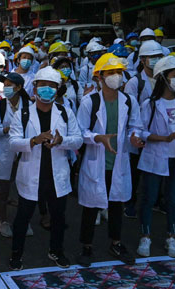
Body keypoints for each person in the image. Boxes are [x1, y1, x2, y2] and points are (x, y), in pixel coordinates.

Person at [8, 67, 83, 270]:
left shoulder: (65, 112)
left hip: (56, 174)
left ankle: (56, 251)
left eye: (52, 86)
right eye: (43, 86)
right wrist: (33, 140)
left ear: (58, 90)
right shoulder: (23, 113)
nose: (47, 90)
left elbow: (78, 140)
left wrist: (61, 140)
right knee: (23, 217)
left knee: (58, 217)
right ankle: (16, 253)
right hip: (31, 174)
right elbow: (13, 142)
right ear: (35, 88)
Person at [76, 54, 144, 267]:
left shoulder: (129, 101)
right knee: (91, 206)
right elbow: (80, 131)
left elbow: (136, 125)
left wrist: (135, 136)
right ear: (99, 76)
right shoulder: (90, 102)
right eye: (111, 72)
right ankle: (86, 246)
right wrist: (97, 137)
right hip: (97, 162)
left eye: (119, 72)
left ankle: (116, 242)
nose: (116, 76)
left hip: (118, 162)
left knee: (116, 204)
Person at [136, 55, 175, 258]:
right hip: (156, 157)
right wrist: (163, 138)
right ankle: (145, 236)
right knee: (149, 198)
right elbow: (140, 131)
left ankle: (171, 237)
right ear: (163, 78)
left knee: (173, 200)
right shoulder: (150, 104)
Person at [123, 40, 164, 217]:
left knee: (153, 171)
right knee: (134, 172)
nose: (155, 60)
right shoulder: (135, 82)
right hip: (138, 133)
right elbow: (129, 110)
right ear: (142, 60)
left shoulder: (164, 80)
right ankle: (129, 203)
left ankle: (152, 201)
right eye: (151, 57)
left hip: (157, 134)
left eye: (158, 57)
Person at [0, 73, 32, 238]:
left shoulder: (29, 105)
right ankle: (3, 221)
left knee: (24, 188)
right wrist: (9, 129)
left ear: (19, 87)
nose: (6, 87)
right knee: (3, 189)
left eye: (10, 84)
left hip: (24, 150)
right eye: (5, 84)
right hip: (5, 151)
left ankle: (23, 221)